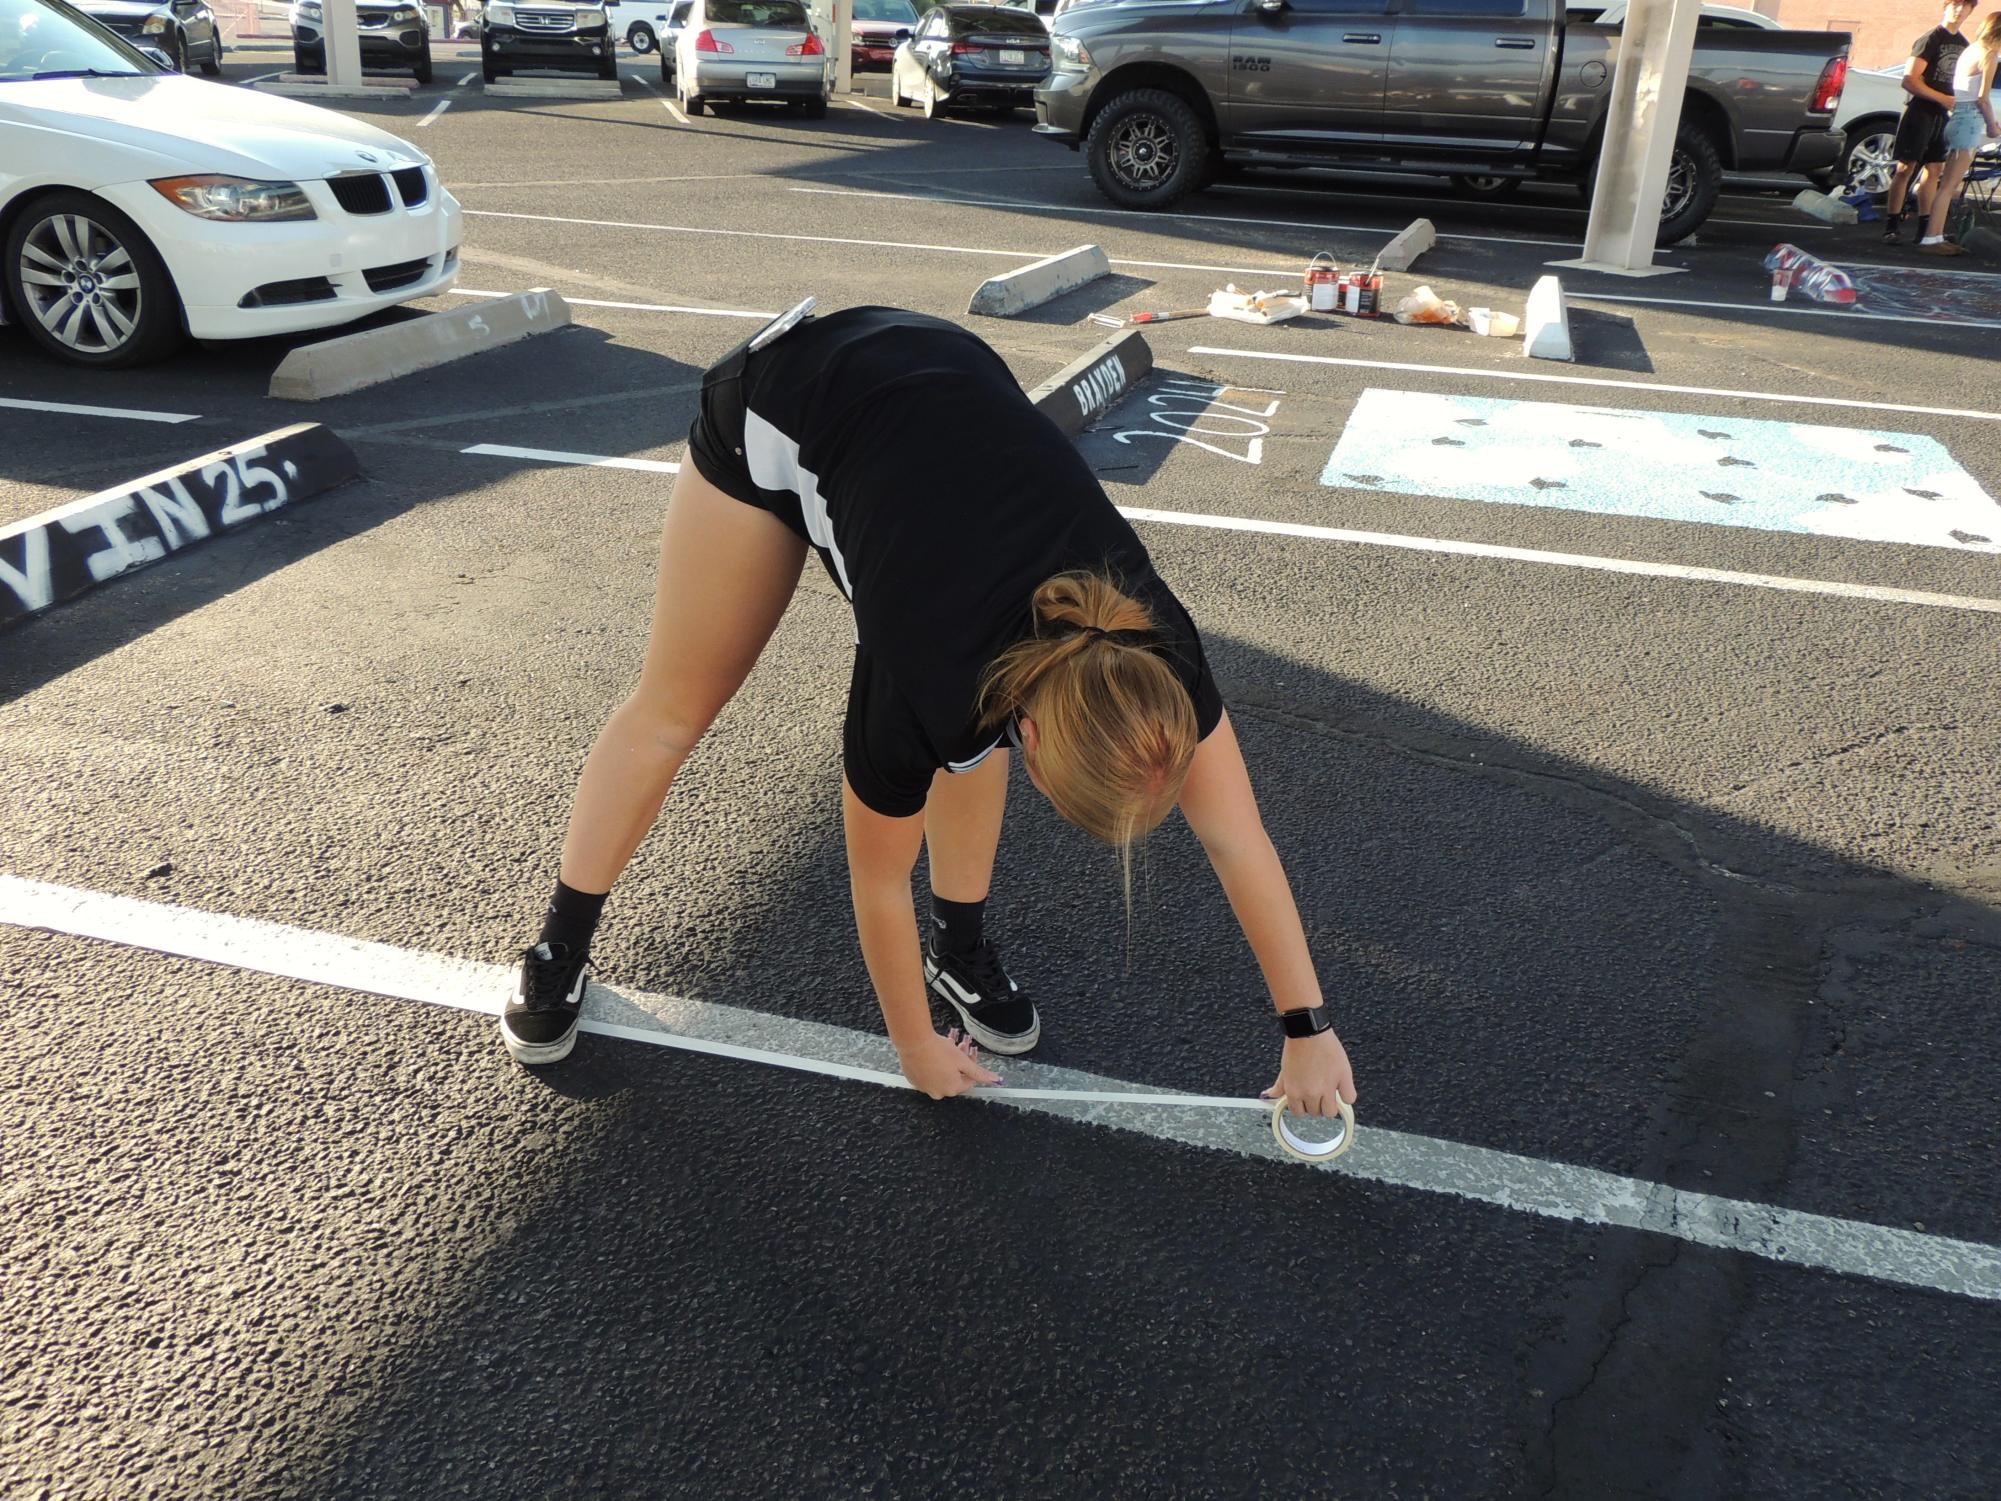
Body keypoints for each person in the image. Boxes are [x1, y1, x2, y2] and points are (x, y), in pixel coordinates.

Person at [502, 303, 1358, 1124]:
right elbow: (877, 878)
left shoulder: (1153, 647)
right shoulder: (921, 671)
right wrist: (911, 1045)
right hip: (791, 398)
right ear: (1032, 733)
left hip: (937, 386)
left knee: (965, 733)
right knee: (675, 708)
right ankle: (557, 951)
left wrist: (1307, 1029)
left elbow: (1237, 837)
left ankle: (957, 953)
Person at [1883, 0, 1978, 244]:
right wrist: (1941, 98)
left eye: (1966, 6)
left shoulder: (1964, 45)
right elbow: (1910, 80)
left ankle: (1925, 226)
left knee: (1934, 170)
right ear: (1945, 7)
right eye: (1955, 4)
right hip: (1920, 110)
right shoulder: (1930, 39)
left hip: (1942, 115)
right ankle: (1891, 225)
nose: (1959, 10)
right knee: (1905, 167)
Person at [1916, 11, 2001, 255]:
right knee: (1949, 185)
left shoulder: (1971, 49)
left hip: (1957, 117)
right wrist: (1993, 127)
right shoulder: (1989, 54)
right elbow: (1983, 99)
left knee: (1947, 183)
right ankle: (1931, 239)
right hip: (1969, 121)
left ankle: (1936, 235)